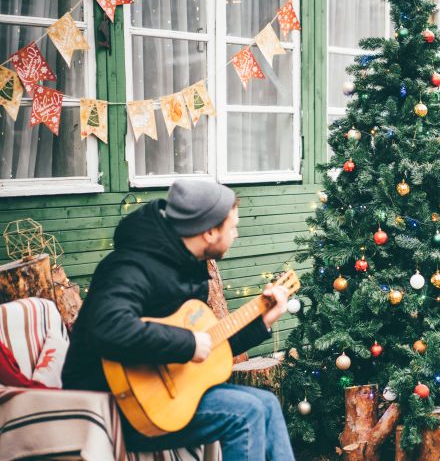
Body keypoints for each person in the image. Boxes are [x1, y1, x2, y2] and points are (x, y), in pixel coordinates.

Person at [62, 179, 295, 460]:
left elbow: (209, 350)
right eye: (232, 227)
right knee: (247, 413)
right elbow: (109, 328)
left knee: (267, 403)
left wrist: (263, 321)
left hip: (164, 392)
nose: (236, 234)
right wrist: (187, 343)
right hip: (114, 402)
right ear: (209, 231)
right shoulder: (130, 265)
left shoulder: (187, 266)